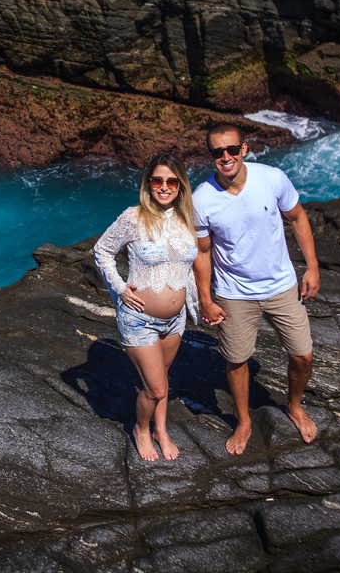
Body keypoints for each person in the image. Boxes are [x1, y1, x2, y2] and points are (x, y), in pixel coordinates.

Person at [192, 122, 320, 454]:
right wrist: (205, 299)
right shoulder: (202, 200)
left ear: (244, 149)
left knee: (303, 356)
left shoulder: (272, 178)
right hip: (234, 293)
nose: (226, 157)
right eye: (218, 152)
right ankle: (244, 421)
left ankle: (293, 405)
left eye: (232, 149)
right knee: (236, 360)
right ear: (211, 156)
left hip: (282, 286)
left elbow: (298, 217)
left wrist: (313, 267)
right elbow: (202, 252)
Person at [93, 152, 199, 461]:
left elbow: (193, 264)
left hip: (176, 320)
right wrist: (120, 288)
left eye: (171, 181)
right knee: (155, 389)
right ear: (148, 183)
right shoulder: (133, 217)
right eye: (157, 180)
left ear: (180, 185)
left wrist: (203, 302)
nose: (164, 186)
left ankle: (161, 431)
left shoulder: (186, 219)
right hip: (139, 319)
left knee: (163, 380)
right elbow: (102, 251)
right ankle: (141, 429)